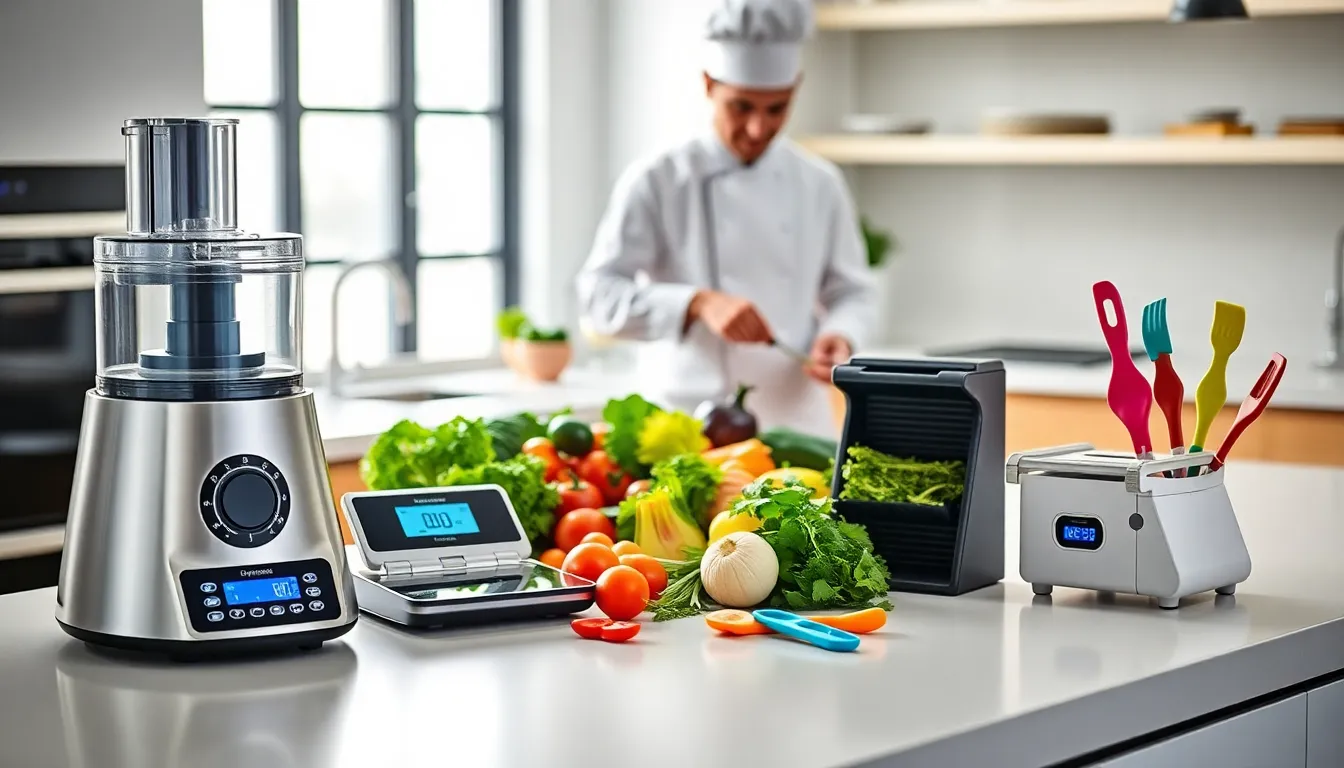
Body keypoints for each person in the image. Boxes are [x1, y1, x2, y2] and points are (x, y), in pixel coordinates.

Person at [575, 0, 877, 437]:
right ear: (708, 85)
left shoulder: (819, 183)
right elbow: (598, 298)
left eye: (777, 109)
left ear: (796, 88)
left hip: (798, 426)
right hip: (685, 428)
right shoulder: (658, 179)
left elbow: (855, 292)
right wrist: (697, 303)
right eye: (741, 107)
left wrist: (841, 335)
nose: (758, 128)